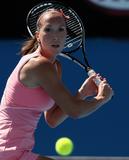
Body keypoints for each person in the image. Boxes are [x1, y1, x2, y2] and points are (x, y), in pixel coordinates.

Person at [0, 8, 114, 160]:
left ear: (66, 35)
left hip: (19, 151)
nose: (55, 36)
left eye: (61, 29)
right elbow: (75, 111)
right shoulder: (39, 65)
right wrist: (102, 98)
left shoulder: (54, 66)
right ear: (38, 36)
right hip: (7, 151)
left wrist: (82, 93)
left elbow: (52, 119)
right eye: (48, 29)